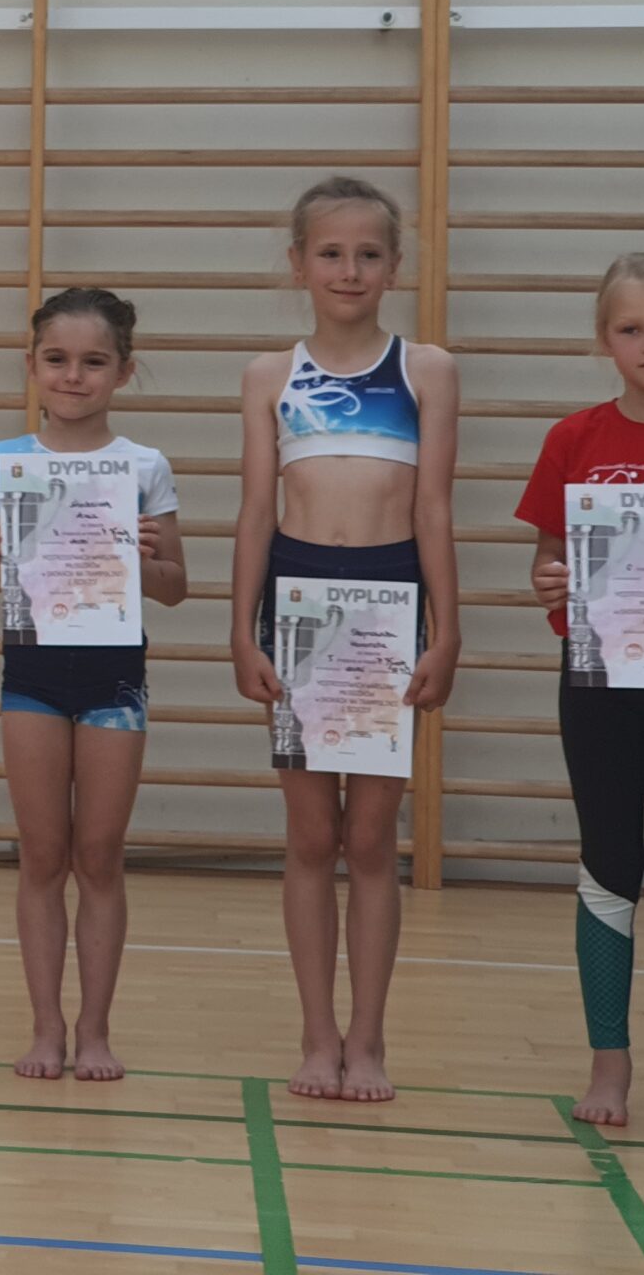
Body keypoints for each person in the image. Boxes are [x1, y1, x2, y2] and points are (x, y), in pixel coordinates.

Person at [230, 175, 460, 1101]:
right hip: (297, 604)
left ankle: (368, 1038)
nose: (350, 269)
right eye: (330, 253)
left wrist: (446, 632)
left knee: (369, 839)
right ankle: (317, 1034)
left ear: (394, 266)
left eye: (368, 254)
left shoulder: (427, 370)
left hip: (389, 603)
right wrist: (241, 632)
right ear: (298, 264)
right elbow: (256, 511)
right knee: (310, 834)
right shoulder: (270, 376)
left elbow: (434, 508)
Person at [0, 288, 188, 1081]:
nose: (74, 376)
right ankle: (46, 1027)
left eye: (93, 362)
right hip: (33, 677)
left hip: (115, 679)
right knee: (43, 855)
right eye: (57, 360)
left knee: (100, 856)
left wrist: (145, 558)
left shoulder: (144, 467)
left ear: (124, 371)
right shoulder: (5, 462)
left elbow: (176, 587)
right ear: (31, 366)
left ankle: (95, 1030)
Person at [517, 251, 644, 1129]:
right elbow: (549, 557)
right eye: (632, 328)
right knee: (609, 863)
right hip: (599, 680)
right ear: (604, 340)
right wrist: (550, 578)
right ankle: (608, 1062)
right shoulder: (574, 439)